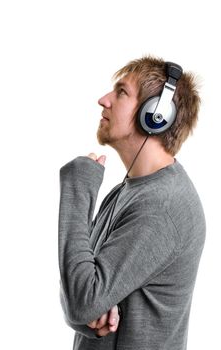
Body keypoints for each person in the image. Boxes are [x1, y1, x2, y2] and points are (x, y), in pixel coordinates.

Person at [58, 55, 206, 350]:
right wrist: (90, 306)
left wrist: (76, 190)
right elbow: (78, 286)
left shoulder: (162, 207)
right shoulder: (127, 191)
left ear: (156, 114)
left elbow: (81, 300)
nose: (104, 100)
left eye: (121, 92)